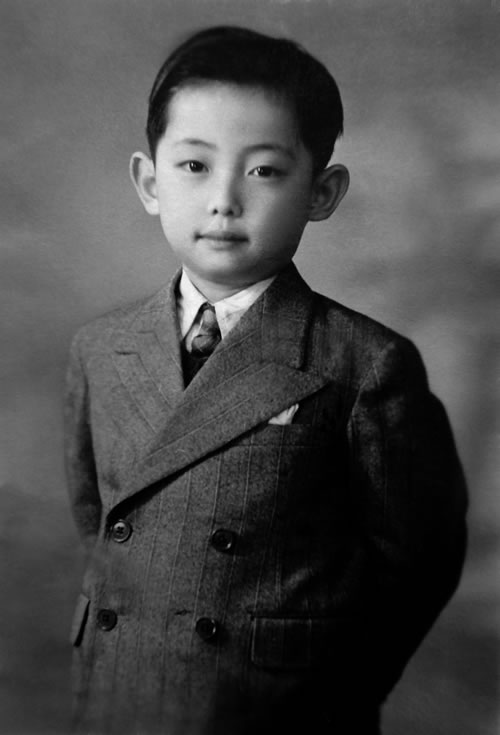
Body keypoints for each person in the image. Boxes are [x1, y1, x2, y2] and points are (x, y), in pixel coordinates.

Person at [64, 26, 467, 735]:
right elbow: (98, 528)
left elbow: (418, 561)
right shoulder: (99, 348)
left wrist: (329, 690)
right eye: (194, 165)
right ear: (150, 183)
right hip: (116, 697)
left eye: (264, 171)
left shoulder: (365, 363)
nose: (224, 199)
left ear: (322, 191)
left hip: (272, 710)